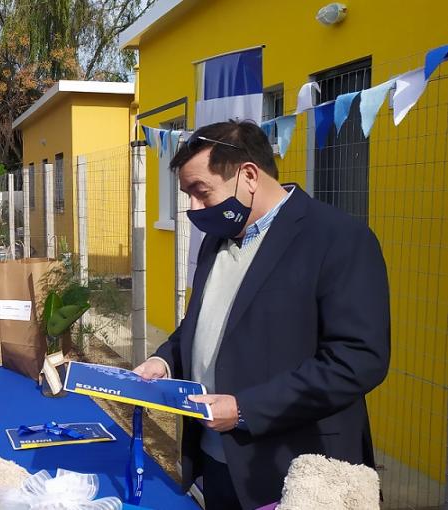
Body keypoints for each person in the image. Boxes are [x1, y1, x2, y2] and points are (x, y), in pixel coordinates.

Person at [133, 120, 390, 509]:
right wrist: (164, 360)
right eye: (187, 196)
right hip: (217, 463)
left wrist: (243, 410)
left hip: (293, 471)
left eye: (201, 192)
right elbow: (203, 323)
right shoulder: (216, 241)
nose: (193, 209)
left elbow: (358, 360)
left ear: (248, 175)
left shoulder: (338, 239)